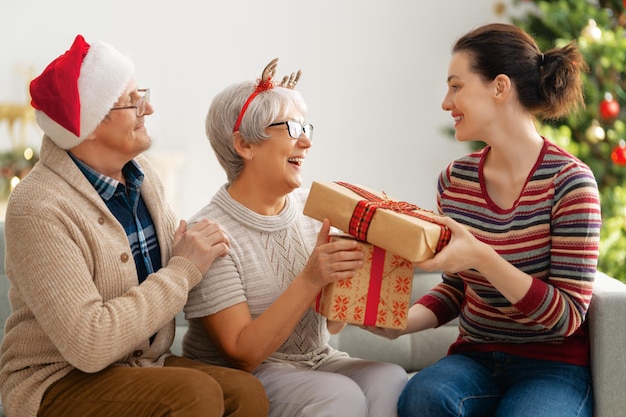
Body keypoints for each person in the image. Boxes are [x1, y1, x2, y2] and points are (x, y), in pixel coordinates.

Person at [0, 35, 269, 417]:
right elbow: (89, 343)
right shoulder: (38, 206)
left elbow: (181, 268)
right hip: (57, 381)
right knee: (193, 395)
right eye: (133, 101)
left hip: (141, 365)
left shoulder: (145, 179)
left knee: (247, 393)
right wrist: (182, 270)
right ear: (89, 124)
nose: (149, 108)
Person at [366, 23, 601, 417]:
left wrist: (482, 255)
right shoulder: (455, 181)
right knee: (421, 396)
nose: (445, 102)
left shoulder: (570, 183)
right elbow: (457, 287)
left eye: (456, 86)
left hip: (552, 367)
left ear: (499, 87)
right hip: (475, 358)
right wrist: (401, 323)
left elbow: (566, 317)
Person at [181, 58, 408, 417]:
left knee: (390, 378)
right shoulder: (208, 233)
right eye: (290, 127)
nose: (306, 141)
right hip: (246, 374)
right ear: (245, 145)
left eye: (306, 127)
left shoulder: (316, 211)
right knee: (339, 395)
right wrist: (313, 277)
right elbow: (243, 352)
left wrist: (356, 274)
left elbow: (331, 325)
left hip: (316, 361)